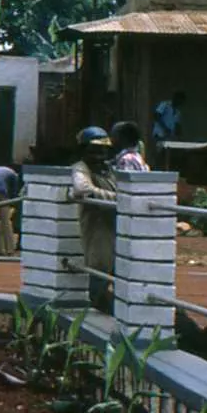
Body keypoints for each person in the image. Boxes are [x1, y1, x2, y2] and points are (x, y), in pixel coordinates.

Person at [70, 126, 118, 312]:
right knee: (99, 270)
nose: (100, 153)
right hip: (98, 227)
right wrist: (118, 199)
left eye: (103, 149)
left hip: (117, 227)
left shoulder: (110, 170)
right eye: (95, 149)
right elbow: (82, 189)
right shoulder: (81, 168)